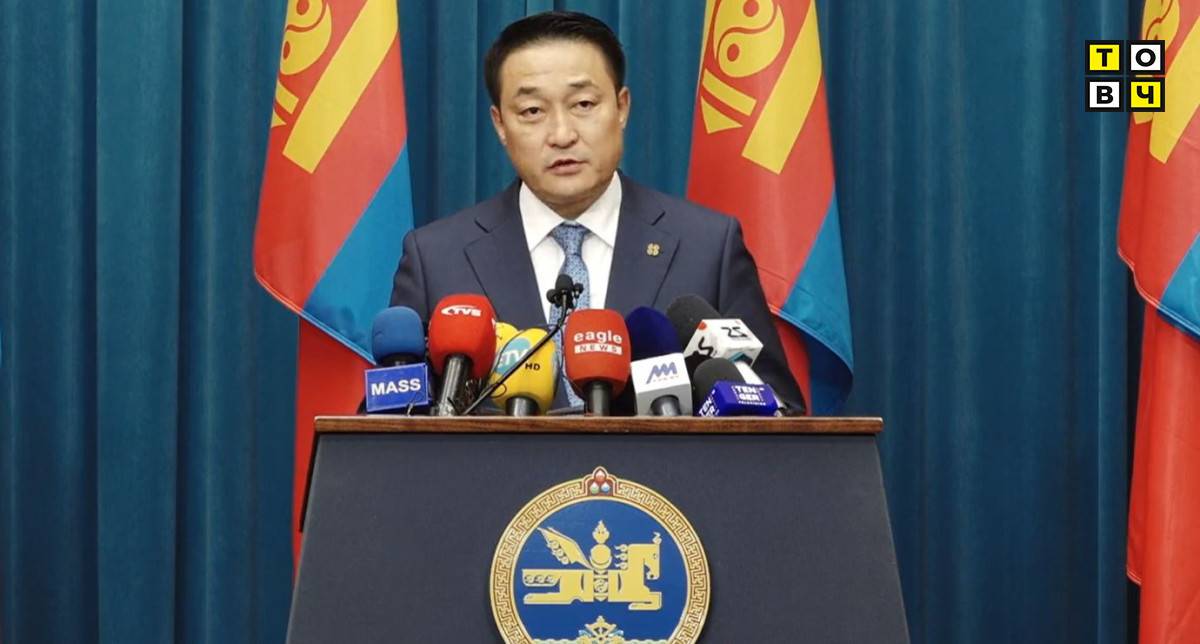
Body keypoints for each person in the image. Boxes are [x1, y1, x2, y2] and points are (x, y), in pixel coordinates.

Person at [389, 10, 804, 412]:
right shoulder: (436, 260)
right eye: (532, 111)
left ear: (621, 107)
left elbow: (777, 415)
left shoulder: (708, 248)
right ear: (500, 124)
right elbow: (391, 427)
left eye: (584, 104)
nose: (562, 134)